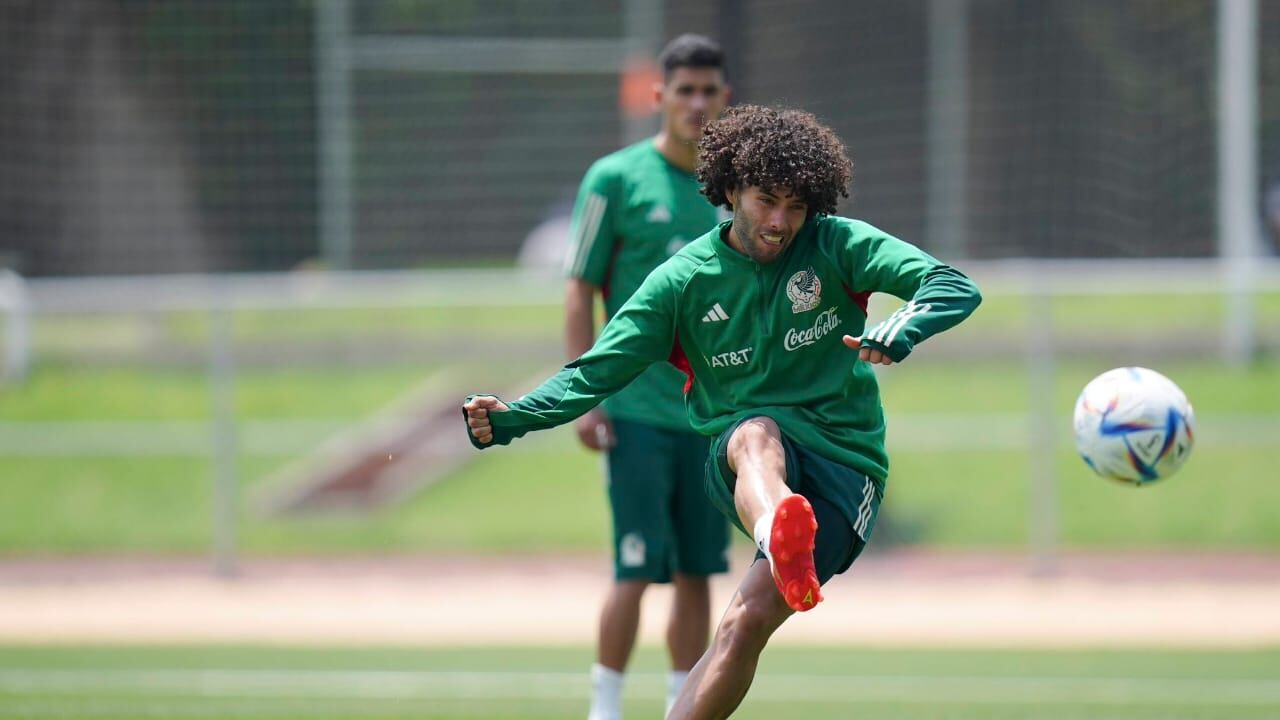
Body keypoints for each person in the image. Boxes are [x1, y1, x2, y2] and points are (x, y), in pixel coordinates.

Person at [464, 105, 982, 719]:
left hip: (846, 467)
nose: (780, 223)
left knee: (741, 625)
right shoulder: (683, 282)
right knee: (754, 432)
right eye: (767, 201)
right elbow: (593, 372)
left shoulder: (838, 244)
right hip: (743, 461)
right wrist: (514, 417)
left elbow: (952, 284)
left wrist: (901, 328)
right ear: (731, 190)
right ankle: (778, 527)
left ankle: (785, 540)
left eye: (796, 207)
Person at [562, 34, 733, 720]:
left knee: (698, 572)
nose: (696, 103)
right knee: (634, 566)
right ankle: (604, 708)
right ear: (659, 96)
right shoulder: (615, 179)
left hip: (710, 414)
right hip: (635, 410)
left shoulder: (735, 191)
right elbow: (580, 289)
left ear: (725, 97)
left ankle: (678, 707)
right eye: (684, 90)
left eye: (708, 91)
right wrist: (586, 396)